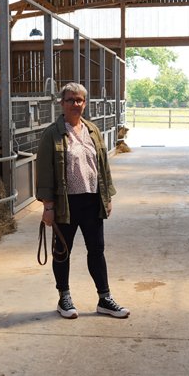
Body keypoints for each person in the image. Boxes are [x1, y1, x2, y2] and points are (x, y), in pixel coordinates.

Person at [36, 82, 130, 319]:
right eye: (70, 100)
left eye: (79, 100)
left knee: (97, 250)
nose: (75, 104)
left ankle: (104, 298)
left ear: (85, 103)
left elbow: (102, 165)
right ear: (62, 103)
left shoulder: (92, 130)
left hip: (92, 200)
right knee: (62, 251)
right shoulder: (52, 134)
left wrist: (106, 197)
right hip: (66, 204)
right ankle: (64, 297)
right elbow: (45, 172)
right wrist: (48, 206)